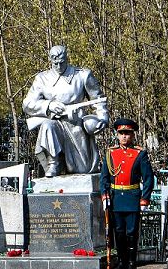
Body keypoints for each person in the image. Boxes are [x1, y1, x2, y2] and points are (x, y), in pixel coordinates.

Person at [22, 45, 109, 176]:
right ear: (50, 61)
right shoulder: (42, 79)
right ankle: (54, 163)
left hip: (76, 125)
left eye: (61, 62)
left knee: (82, 170)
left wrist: (102, 118)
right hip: (54, 121)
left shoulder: (82, 75)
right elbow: (27, 103)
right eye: (55, 63)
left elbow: (99, 99)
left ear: (66, 59)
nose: (58, 66)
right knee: (47, 126)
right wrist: (48, 105)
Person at [100, 119, 155, 269]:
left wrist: (144, 199)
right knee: (118, 232)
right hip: (116, 198)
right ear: (117, 135)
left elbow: (148, 178)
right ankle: (122, 262)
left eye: (127, 133)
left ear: (132, 135)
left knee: (131, 232)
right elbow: (104, 177)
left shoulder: (140, 154)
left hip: (132, 198)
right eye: (122, 133)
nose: (124, 136)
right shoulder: (111, 153)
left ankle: (131, 263)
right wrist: (105, 196)